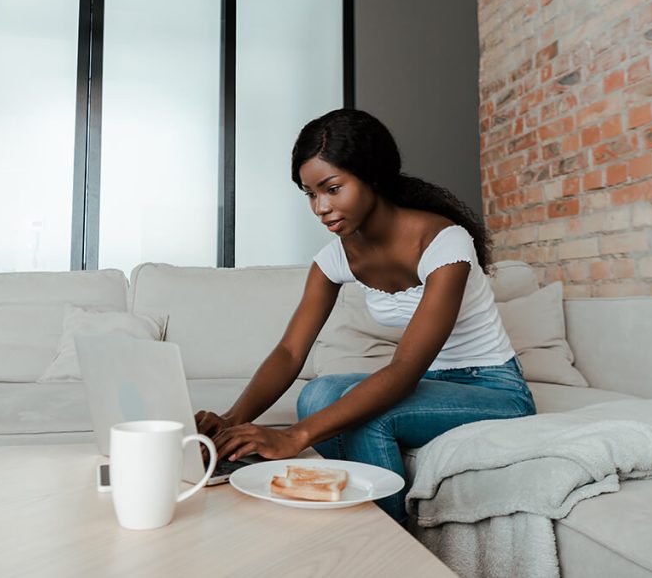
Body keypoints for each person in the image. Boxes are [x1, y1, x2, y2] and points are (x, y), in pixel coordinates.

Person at [195, 108, 535, 525]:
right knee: (315, 395)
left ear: (373, 176)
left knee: (370, 418)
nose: (321, 207)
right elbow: (289, 351)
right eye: (310, 194)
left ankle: (386, 548)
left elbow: (405, 369)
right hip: (432, 386)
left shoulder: (444, 242)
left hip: (495, 390)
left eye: (332, 188)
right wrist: (230, 423)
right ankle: (366, 514)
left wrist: (295, 437)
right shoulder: (334, 258)